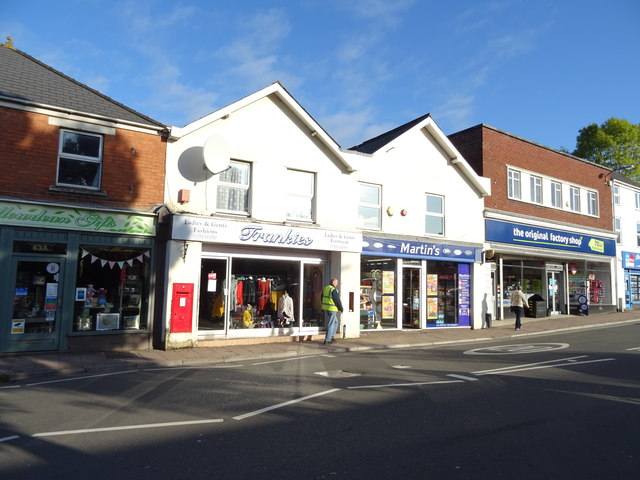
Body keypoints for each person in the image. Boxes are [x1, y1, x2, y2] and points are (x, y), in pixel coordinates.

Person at [321, 278, 343, 344]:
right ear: (333, 282)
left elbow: (321, 297)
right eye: (336, 282)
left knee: (335, 322)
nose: (337, 284)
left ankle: (331, 336)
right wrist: (341, 308)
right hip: (332, 308)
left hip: (326, 308)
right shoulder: (333, 289)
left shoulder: (325, 288)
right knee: (331, 323)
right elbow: (337, 300)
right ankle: (328, 340)